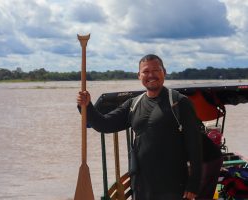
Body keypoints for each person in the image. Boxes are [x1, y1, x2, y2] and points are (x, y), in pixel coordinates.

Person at [77, 54, 202, 200]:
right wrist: (86, 106)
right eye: (146, 72)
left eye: (156, 70)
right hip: (142, 186)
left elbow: (195, 146)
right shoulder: (133, 104)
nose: (151, 75)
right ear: (139, 75)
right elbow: (104, 124)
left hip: (172, 186)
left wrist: (194, 184)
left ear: (164, 72)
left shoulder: (179, 103)